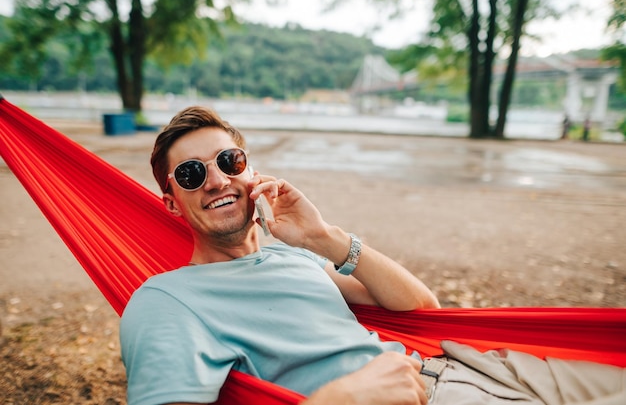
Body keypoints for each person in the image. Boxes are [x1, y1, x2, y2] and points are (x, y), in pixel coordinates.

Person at [120, 106, 625, 405]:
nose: (218, 180)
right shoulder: (167, 300)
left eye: (230, 161)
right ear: (171, 201)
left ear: (251, 172)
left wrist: (324, 237)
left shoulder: (295, 258)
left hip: (476, 367)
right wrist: (339, 400)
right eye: (191, 174)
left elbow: (424, 310)